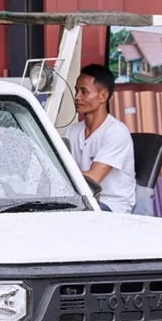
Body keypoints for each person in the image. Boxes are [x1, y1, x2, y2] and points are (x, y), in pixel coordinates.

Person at [64, 64, 136, 213]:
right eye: (76, 90)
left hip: (112, 205)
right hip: (82, 201)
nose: (77, 97)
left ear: (103, 96)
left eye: (84, 92)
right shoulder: (72, 131)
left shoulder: (116, 132)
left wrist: (58, 173)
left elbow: (93, 179)